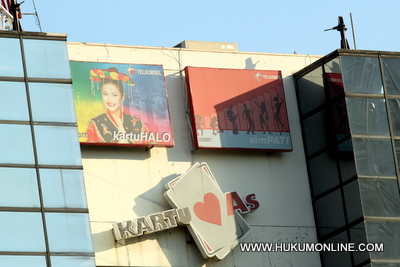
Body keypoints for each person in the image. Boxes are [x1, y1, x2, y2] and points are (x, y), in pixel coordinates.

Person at [86, 67, 146, 143]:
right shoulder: (95, 123)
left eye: (114, 95)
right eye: (105, 94)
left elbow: (149, 142)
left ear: (122, 97)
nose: (109, 99)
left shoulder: (137, 123)